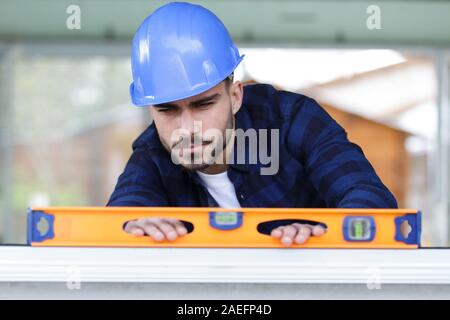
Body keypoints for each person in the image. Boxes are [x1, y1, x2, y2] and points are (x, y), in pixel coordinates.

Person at [107, 2, 397, 246]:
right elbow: (118, 221)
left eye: (203, 104)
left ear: (234, 96)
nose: (187, 128)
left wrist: (324, 235)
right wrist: (132, 229)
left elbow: (370, 200)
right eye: (168, 110)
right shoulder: (152, 152)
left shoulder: (292, 119)